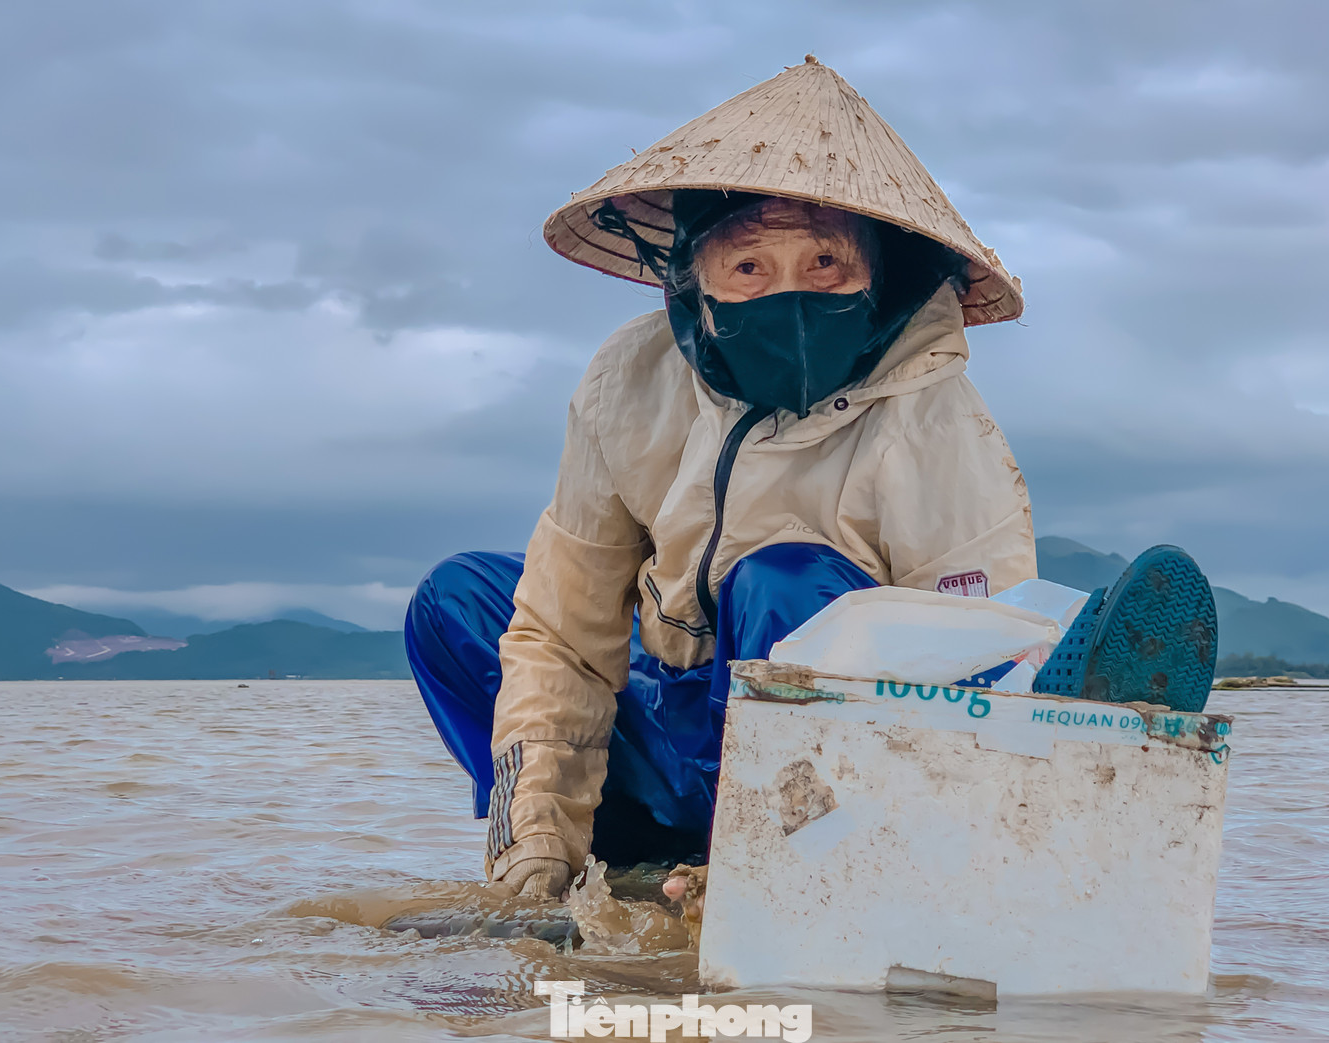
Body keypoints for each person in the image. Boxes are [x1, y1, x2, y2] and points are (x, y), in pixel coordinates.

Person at [404, 57, 1217, 902]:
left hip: (833, 775)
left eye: (825, 263)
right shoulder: (627, 382)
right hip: (676, 728)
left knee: (783, 578)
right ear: (697, 282)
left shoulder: (934, 417)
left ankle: (778, 871)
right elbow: (562, 634)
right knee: (458, 597)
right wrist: (535, 844)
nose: (788, 294)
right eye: (749, 266)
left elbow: (978, 656)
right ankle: (617, 867)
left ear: (878, 277)